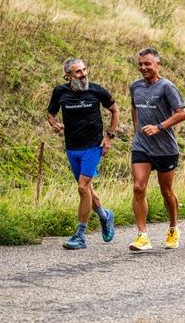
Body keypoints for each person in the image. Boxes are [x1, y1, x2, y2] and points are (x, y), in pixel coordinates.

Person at [47, 58, 119, 249]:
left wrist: (109, 136)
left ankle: (80, 235)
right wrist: (54, 124)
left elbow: (114, 109)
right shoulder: (60, 92)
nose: (83, 74)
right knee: (87, 189)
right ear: (68, 76)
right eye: (78, 72)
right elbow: (51, 114)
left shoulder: (97, 90)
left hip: (93, 146)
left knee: (82, 187)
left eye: (84, 70)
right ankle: (105, 216)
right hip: (72, 147)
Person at [129, 48, 185, 251]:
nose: (143, 67)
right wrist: (137, 131)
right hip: (142, 146)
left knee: (166, 191)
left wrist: (159, 126)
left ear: (157, 64)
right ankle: (142, 236)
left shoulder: (167, 87)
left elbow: (181, 114)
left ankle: (173, 227)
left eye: (148, 64)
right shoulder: (135, 86)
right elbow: (134, 107)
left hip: (165, 148)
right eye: (141, 64)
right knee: (138, 187)